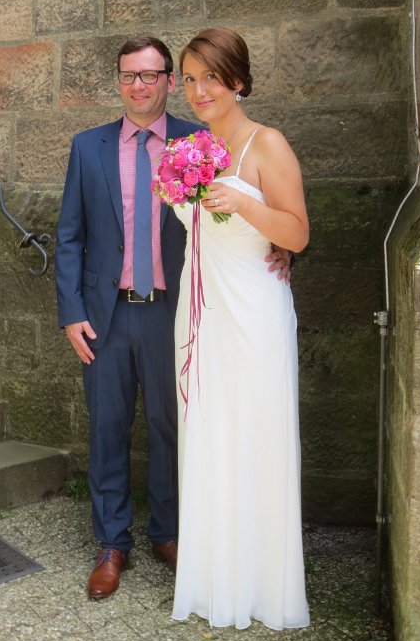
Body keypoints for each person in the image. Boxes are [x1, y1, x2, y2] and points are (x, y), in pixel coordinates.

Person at [55, 36, 290, 600]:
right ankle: (111, 544)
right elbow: (69, 236)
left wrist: (278, 246)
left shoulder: (202, 141)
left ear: (167, 81)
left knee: (173, 428)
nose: (138, 85)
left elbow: (251, 204)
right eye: (128, 75)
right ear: (119, 81)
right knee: (107, 429)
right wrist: (71, 312)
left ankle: (168, 533)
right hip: (105, 316)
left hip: (177, 312)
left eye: (150, 75)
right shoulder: (87, 147)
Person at [172, 27, 310, 630]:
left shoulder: (266, 143)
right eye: (189, 78)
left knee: (254, 434)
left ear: (237, 80)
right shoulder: (190, 148)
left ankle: (260, 586)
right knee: (207, 432)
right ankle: (212, 578)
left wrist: (246, 204)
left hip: (253, 313)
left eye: (210, 77)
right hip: (200, 312)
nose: (198, 90)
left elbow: (297, 233)